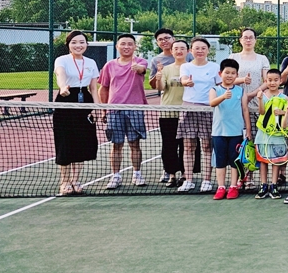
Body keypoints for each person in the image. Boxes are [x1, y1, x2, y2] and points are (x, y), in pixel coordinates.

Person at [178, 37, 239, 193]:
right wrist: (186, 82)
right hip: (189, 107)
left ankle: (207, 180)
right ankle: (188, 180)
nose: (200, 51)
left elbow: (223, 83)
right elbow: (183, 80)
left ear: (208, 50)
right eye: (196, 48)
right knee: (188, 146)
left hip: (209, 109)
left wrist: (242, 80)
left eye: (203, 48)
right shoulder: (185, 66)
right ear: (191, 50)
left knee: (207, 146)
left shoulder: (214, 67)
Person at [98, 34, 149, 190]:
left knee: (134, 144)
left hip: (135, 109)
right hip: (114, 110)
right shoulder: (109, 65)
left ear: (134, 47)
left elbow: (142, 69)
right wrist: (104, 110)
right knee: (116, 145)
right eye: (123, 44)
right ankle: (116, 176)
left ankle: (137, 174)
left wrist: (138, 69)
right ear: (117, 47)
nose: (126, 47)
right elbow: (103, 88)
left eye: (130, 44)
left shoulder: (141, 61)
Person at [52, 30, 99, 195]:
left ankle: (76, 180)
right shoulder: (62, 60)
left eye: (81, 42)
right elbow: (60, 74)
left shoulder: (91, 62)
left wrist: (96, 108)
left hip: (84, 100)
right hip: (65, 99)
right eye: (74, 42)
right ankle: (64, 182)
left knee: (81, 142)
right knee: (65, 142)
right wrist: (63, 87)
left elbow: (94, 88)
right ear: (68, 45)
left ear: (86, 44)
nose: (78, 45)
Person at [229, 28, 270, 190]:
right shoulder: (233, 57)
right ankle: (238, 178)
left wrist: (252, 94)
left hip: (255, 105)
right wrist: (241, 80)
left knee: (251, 141)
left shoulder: (262, 59)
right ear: (240, 40)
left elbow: (267, 81)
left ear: (255, 40)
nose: (248, 40)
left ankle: (249, 176)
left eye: (251, 37)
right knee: (237, 142)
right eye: (245, 37)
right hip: (234, 105)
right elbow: (226, 79)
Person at [209, 58, 251, 200]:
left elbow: (245, 110)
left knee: (234, 161)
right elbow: (212, 103)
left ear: (237, 75)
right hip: (218, 132)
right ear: (220, 73)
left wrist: (248, 130)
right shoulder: (215, 89)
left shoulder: (241, 91)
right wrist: (223, 97)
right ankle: (221, 187)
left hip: (236, 132)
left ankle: (233, 186)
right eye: (227, 72)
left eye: (233, 73)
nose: (230, 75)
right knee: (220, 161)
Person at [157, 39, 190, 187]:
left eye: (182, 48)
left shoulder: (191, 68)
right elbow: (161, 87)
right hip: (168, 113)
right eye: (176, 48)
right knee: (169, 146)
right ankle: (171, 175)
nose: (179, 51)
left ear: (187, 51)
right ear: (171, 51)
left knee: (187, 146)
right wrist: (158, 78)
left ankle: (185, 174)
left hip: (188, 113)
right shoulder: (166, 69)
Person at [254, 68, 288, 199]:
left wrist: (283, 112)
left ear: (280, 81)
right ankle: (264, 185)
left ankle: (274, 186)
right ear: (265, 81)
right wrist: (259, 99)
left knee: (276, 161)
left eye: (275, 80)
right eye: (269, 80)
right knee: (263, 161)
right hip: (263, 134)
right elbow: (261, 112)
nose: (272, 82)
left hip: (277, 135)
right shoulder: (262, 95)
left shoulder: (284, 98)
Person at [148, 28, 192, 92]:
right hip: (169, 95)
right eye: (160, 39)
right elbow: (153, 86)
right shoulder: (156, 60)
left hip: (188, 94)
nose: (163, 41)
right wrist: (159, 73)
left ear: (173, 39)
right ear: (157, 42)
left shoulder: (188, 55)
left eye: (166, 38)